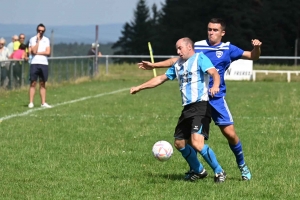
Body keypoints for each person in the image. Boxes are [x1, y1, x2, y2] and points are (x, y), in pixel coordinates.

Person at [137, 18, 262, 181]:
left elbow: (253, 56)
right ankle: (196, 169)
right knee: (190, 139)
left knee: (230, 134)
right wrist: (154, 66)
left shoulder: (228, 48)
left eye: (215, 30)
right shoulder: (198, 46)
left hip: (216, 98)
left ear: (222, 33)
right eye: (209, 29)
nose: (211, 32)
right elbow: (177, 60)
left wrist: (257, 48)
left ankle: (242, 166)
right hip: (197, 99)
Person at [131, 37, 227, 183]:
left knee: (196, 143)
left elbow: (214, 73)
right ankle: (199, 170)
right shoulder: (178, 65)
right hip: (187, 108)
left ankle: (219, 172)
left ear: (189, 47)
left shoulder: (200, 58)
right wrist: (139, 87)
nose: (178, 51)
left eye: (180, 48)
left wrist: (215, 86)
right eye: (177, 49)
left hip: (201, 106)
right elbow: (160, 79)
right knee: (179, 143)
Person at [28, 23, 51, 108]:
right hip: (34, 63)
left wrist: (38, 53)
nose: (40, 32)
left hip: (44, 63)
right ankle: (31, 102)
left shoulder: (46, 40)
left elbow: (48, 52)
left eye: (42, 31)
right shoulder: (32, 39)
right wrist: (37, 41)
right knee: (33, 82)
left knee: (42, 83)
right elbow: (33, 51)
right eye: (39, 31)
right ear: (37, 30)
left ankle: (43, 102)